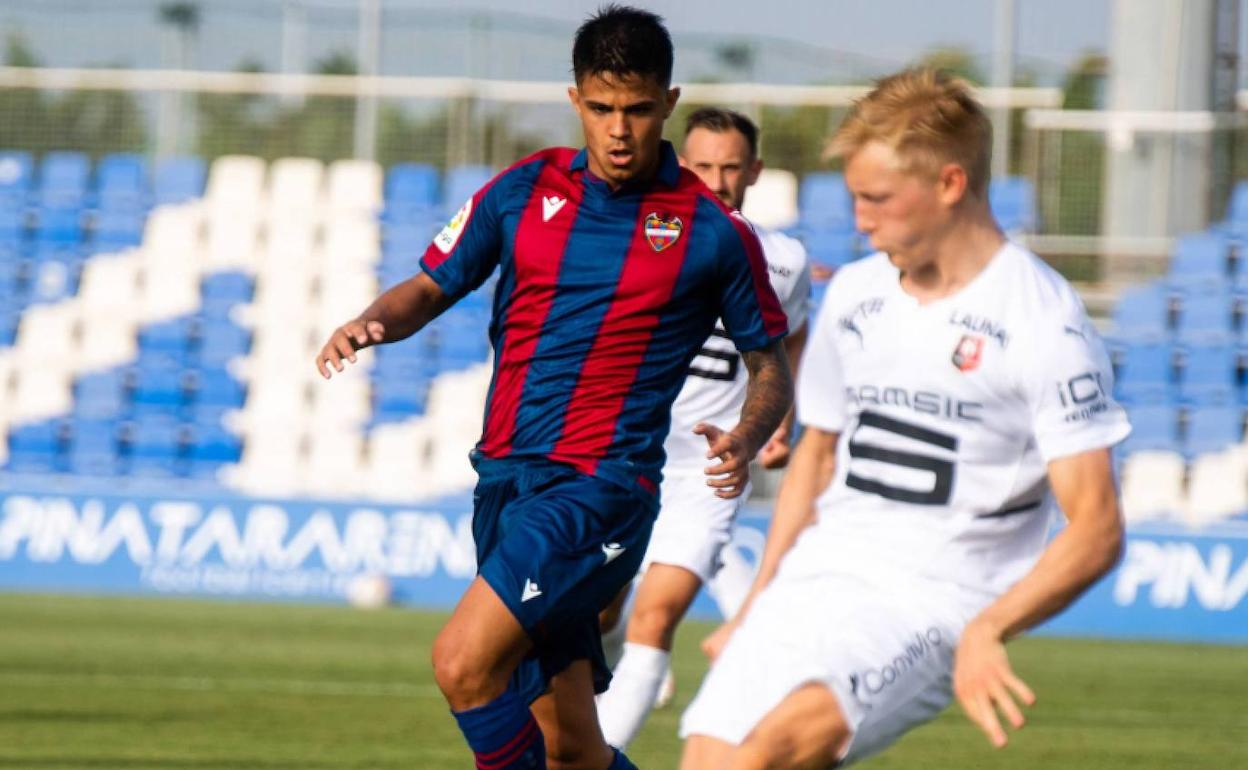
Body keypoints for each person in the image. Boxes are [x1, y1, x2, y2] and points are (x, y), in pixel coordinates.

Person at [315, 6, 793, 770]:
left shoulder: (711, 232)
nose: (619, 130)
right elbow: (431, 287)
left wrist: (747, 429)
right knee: (570, 748)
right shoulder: (521, 190)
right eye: (601, 108)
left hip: (601, 487)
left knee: (463, 664)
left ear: (668, 103)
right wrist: (371, 322)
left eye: (638, 109)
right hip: (505, 480)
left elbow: (771, 364)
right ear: (576, 99)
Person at [678, 67, 1132, 770]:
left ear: (949, 184)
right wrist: (755, 601)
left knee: (765, 754)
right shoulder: (856, 296)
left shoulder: (1044, 321)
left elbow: (1098, 528)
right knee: (708, 758)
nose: (860, 219)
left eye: (877, 198)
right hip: (820, 574)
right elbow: (815, 463)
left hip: (938, 600)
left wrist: (990, 627)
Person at [596, 107, 811, 749]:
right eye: (704, 166)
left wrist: (779, 421)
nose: (717, 181)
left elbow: (789, 345)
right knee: (603, 613)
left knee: (655, 620)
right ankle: (610, 668)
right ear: (682, 164)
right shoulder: (639, 235)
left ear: (755, 172)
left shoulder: (786, 260)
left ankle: (595, 758)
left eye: (731, 167)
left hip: (709, 471)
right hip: (625, 457)